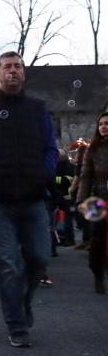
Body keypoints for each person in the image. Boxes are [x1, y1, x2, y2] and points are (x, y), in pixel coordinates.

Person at [0, 51, 58, 348]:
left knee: (39, 258)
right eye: (7, 67)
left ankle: (24, 303)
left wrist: (44, 175)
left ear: (24, 73)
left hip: (33, 199)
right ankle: (16, 324)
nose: (13, 71)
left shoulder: (38, 109)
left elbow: (51, 148)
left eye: (17, 66)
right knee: (7, 263)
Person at [75, 111, 108, 294]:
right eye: (101, 124)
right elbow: (85, 176)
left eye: (107, 123)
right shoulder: (93, 149)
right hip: (98, 200)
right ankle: (98, 275)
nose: (104, 126)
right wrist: (82, 199)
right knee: (97, 240)